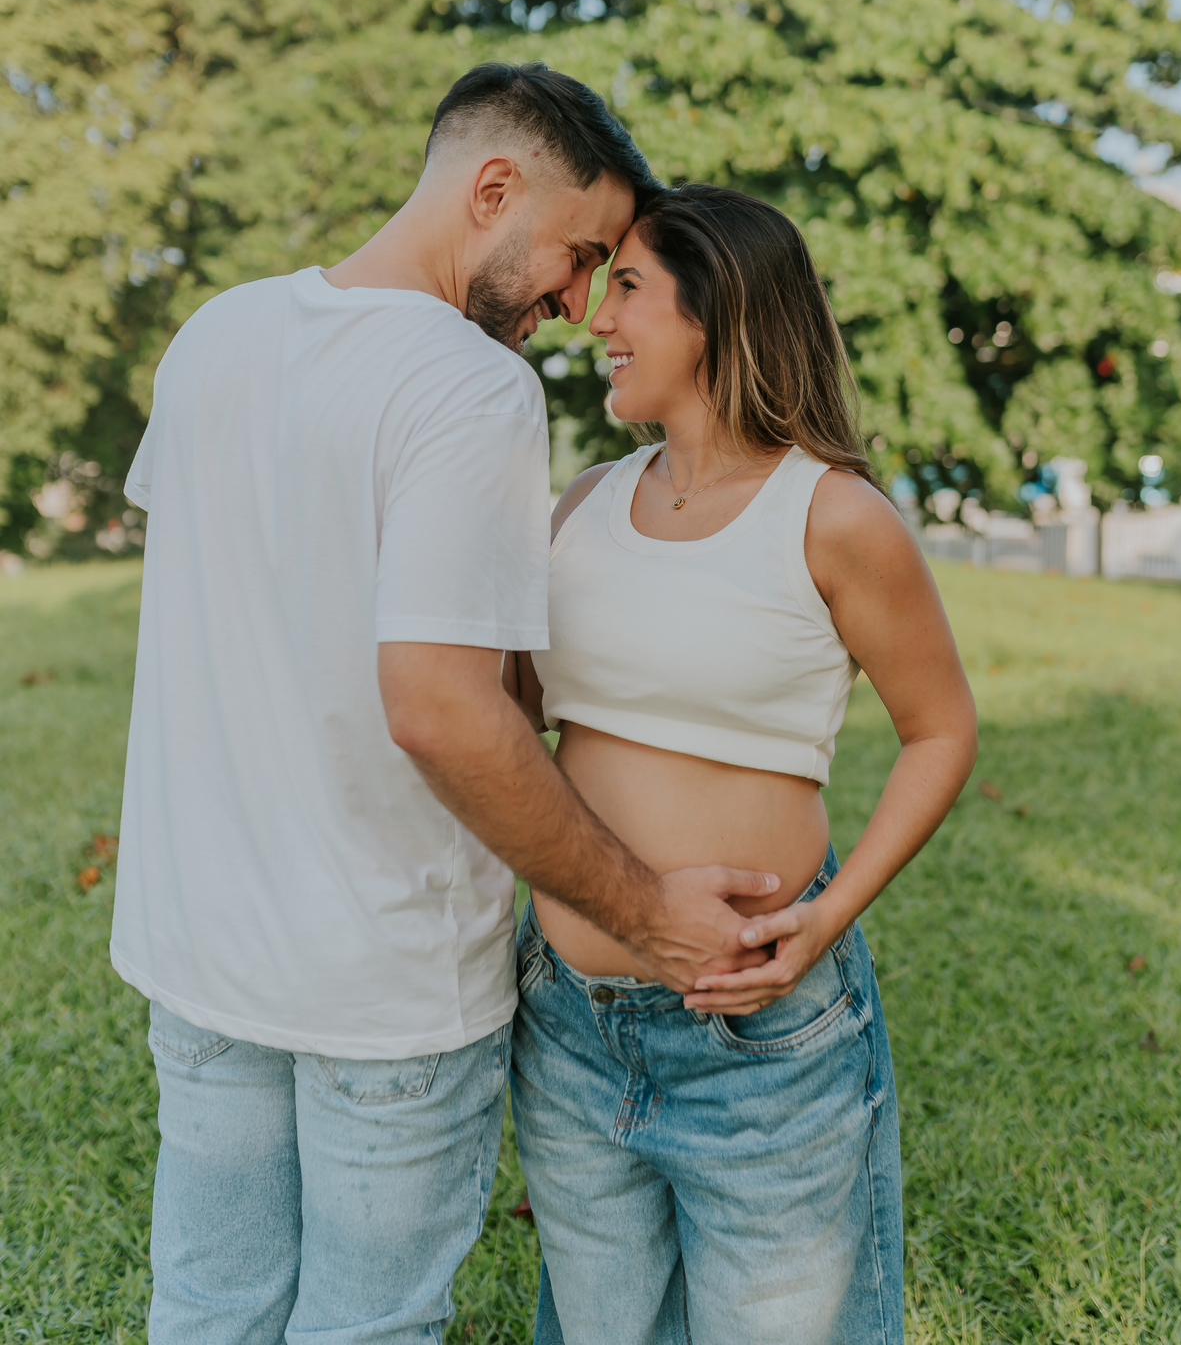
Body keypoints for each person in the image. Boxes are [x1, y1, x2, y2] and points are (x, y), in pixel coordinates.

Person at [110, 65, 780, 1345]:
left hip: (196, 954)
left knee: (206, 1307)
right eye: (578, 254)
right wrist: (650, 915)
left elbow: (233, 600)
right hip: (383, 986)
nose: (577, 303)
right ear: (492, 190)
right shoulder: (470, 386)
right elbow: (441, 710)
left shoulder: (215, 334)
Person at [509, 184, 978, 1345]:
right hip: (568, 1024)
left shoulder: (833, 517)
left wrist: (827, 922)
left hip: (760, 1038)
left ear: (717, 310)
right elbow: (511, 725)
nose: (597, 318)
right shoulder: (583, 505)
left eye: (628, 287)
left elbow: (941, 732)